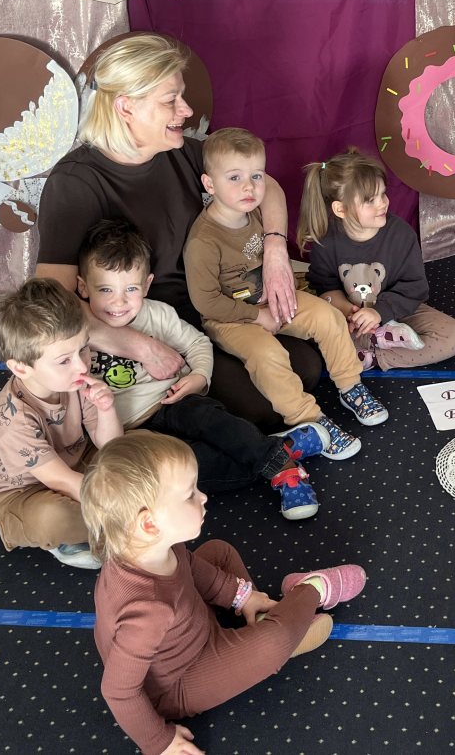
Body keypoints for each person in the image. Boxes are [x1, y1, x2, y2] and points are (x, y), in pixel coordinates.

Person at [34, 32, 320, 429]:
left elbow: (264, 185)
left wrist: (275, 249)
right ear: (126, 106)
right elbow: (52, 300)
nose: (185, 110)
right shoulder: (75, 181)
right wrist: (141, 346)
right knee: (262, 404)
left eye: (181, 96)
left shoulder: (182, 152)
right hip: (144, 323)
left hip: (213, 306)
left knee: (305, 366)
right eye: (170, 100)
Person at [81, 431, 367, 755]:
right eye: (190, 494)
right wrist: (158, 742)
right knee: (272, 644)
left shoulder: (149, 549)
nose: (203, 497)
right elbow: (119, 691)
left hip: (189, 622)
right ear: (149, 524)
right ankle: (311, 589)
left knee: (218, 551)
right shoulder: (147, 613)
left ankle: (261, 620)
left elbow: (191, 567)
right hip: (179, 682)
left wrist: (241, 595)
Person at [77, 219, 329, 520]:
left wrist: (199, 377)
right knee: (192, 467)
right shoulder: (77, 338)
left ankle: (284, 470)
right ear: (83, 287)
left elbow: (197, 343)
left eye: (130, 289)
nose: (119, 302)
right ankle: (280, 449)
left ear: (146, 285)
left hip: (175, 401)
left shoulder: (157, 315)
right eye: (105, 289)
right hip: (133, 429)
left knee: (214, 421)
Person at [184, 129, 388, 458]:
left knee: (328, 317)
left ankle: (350, 385)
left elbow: (271, 200)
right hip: (232, 318)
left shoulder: (254, 211)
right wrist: (257, 316)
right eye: (234, 177)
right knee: (268, 355)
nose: (249, 187)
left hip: (272, 299)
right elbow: (206, 303)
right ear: (210, 184)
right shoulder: (203, 242)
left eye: (256, 176)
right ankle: (309, 419)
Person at [0, 278, 122, 569]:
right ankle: (75, 536)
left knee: (144, 448)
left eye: (83, 349)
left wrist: (106, 410)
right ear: (20, 367)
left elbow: (111, 445)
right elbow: (61, 481)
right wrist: (125, 508)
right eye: (64, 360)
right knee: (53, 518)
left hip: (73, 461)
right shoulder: (13, 421)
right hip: (21, 494)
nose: (82, 366)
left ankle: (96, 526)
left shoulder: (74, 380)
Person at [298, 148, 455, 371]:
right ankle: (370, 342)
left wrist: (379, 313)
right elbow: (325, 289)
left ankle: (372, 355)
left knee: (454, 336)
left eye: (383, 194)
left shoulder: (401, 235)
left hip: (398, 309)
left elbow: (415, 288)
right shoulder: (326, 242)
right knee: (307, 338)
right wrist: (350, 312)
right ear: (341, 209)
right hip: (352, 318)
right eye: (370, 200)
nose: (383, 203)